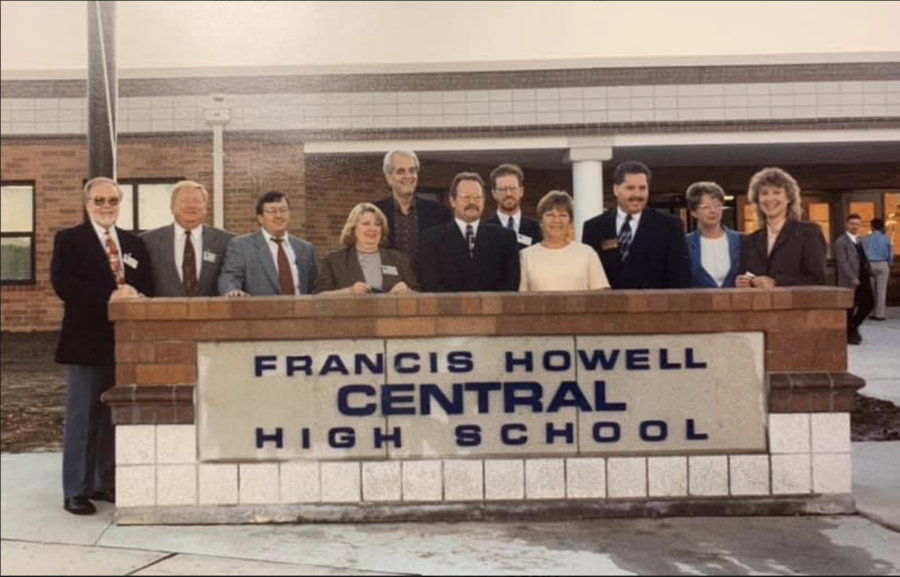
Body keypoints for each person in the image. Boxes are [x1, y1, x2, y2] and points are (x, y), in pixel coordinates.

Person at [51, 177, 154, 515]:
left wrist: (136, 295)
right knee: (83, 416)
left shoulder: (133, 243)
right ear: (87, 204)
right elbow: (64, 284)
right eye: (99, 201)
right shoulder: (69, 240)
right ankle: (75, 489)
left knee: (113, 414)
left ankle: (103, 482)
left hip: (123, 343)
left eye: (112, 201)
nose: (106, 207)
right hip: (84, 341)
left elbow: (146, 285)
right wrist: (111, 295)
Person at [582, 161, 691, 289]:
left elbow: (680, 278)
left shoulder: (670, 226)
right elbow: (588, 277)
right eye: (630, 188)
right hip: (608, 306)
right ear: (616, 190)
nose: (637, 195)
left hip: (654, 306)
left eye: (642, 188)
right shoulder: (594, 228)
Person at [417, 172, 520, 292]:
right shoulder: (431, 239)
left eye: (477, 197)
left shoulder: (505, 239)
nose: (472, 202)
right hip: (448, 309)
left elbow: (510, 284)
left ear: (484, 201)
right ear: (452, 201)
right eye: (466, 196)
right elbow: (430, 284)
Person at [737, 167, 827, 289]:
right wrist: (743, 282)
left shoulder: (809, 232)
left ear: (789, 198)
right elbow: (748, 275)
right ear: (757, 200)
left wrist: (777, 283)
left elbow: (818, 279)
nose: (770, 198)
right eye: (764, 193)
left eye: (777, 192)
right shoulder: (750, 241)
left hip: (798, 307)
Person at [141, 180, 234, 297]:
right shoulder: (148, 241)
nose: (191, 205)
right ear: (172, 207)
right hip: (164, 313)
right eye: (184, 201)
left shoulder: (227, 241)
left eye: (197, 201)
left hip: (211, 313)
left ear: (205, 207)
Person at [218, 191, 317, 297]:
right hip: (259, 312)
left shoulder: (305, 248)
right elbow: (230, 277)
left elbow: (316, 285)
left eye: (283, 210)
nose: (278, 216)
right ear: (260, 218)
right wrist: (232, 290)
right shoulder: (241, 246)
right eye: (272, 211)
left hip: (301, 312)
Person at [315, 203, 417, 295]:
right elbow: (319, 297)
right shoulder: (334, 261)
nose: (372, 229)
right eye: (366, 223)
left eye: (377, 224)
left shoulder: (400, 259)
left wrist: (407, 291)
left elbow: (421, 295)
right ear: (353, 228)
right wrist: (349, 292)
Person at [520, 190, 609, 291]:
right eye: (550, 215)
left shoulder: (587, 253)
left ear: (570, 221)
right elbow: (520, 300)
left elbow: (601, 296)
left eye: (562, 215)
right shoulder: (526, 256)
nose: (556, 220)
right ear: (541, 221)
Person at [374, 149, 452, 261]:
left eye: (412, 170)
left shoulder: (440, 213)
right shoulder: (376, 212)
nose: (408, 176)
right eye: (401, 171)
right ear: (389, 178)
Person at [685, 181, 742, 288]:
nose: (713, 211)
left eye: (717, 205)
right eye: (706, 207)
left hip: (736, 302)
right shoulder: (684, 244)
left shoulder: (742, 240)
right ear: (693, 212)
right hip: (698, 302)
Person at [835, 214, 875, 345]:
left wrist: (870, 270)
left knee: (869, 303)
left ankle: (852, 327)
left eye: (857, 224)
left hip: (864, 277)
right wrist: (852, 277)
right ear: (847, 225)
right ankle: (851, 334)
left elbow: (863, 257)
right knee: (850, 307)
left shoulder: (860, 239)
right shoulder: (841, 241)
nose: (855, 226)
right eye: (852, 223)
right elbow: (842, 261)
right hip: (850, 280)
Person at [485, 163, 543, 250]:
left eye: (512, 188)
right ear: (494, 194)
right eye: (502, 189)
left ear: (521, 191)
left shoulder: (535, 229)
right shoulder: (484, 230)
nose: (508, 193)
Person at [863, 217, 893, 321]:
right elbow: (890, 255)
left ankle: (873, 311)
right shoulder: (887, 238)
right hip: (883, 264)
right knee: (882, 290)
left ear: (871, 226)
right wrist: (888, 264)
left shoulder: (865, 239)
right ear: (882, 227)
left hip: (870, 264)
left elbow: (862, 255)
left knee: (872, 290)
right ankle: (880, 314)